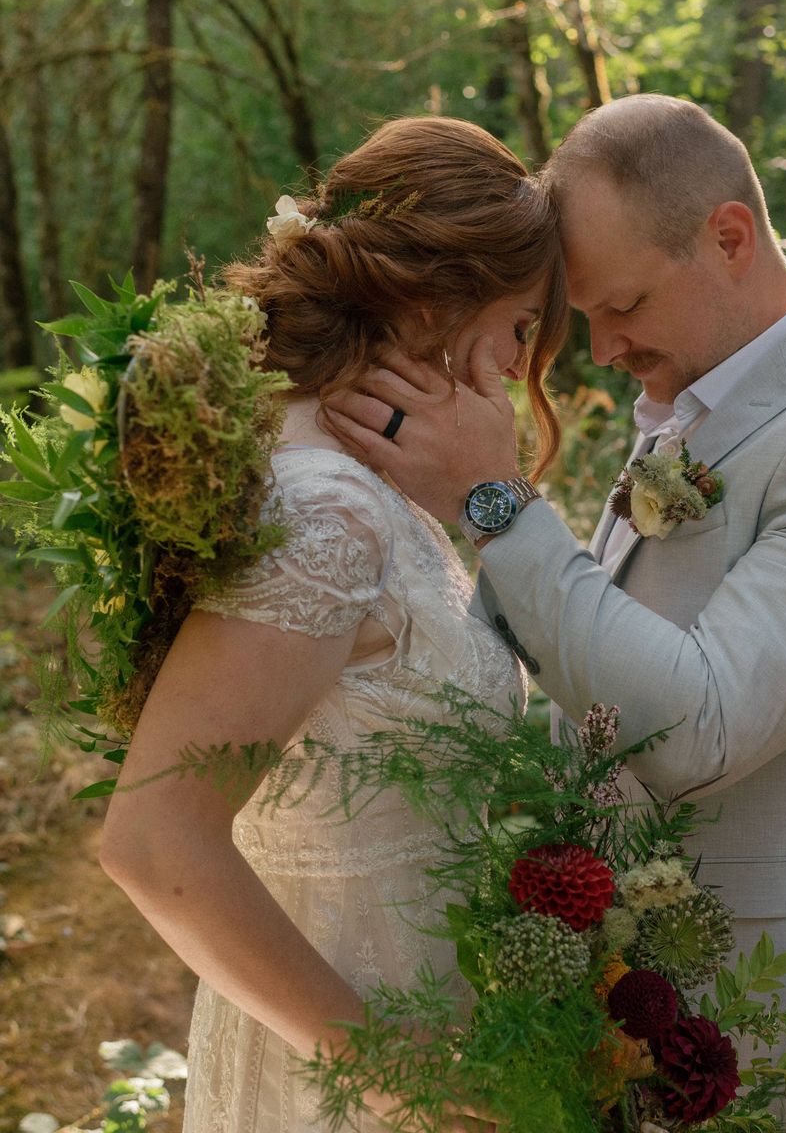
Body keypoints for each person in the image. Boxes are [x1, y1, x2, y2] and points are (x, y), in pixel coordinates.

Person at [324, 94, 786, 1132]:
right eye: (579, 316)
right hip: (636, 1010)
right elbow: (586, 677)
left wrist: (494, 502)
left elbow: (697, 728)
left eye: (619, 306)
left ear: (725, 237)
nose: (599, 349)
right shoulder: (687, 414)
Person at [99, 115, 569, 1133]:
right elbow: (151, 836)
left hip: (417, 1009)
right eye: (522, 327)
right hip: (343, 1072)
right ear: (435, 296)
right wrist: (395, 1078)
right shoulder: (325, 510)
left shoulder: (369, 486)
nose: (516, 365)